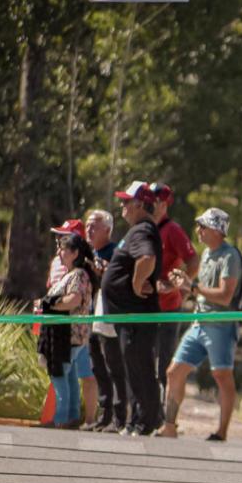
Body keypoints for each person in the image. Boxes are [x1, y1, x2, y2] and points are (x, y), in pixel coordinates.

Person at [161, 208, 241, 441]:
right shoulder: (206, 254)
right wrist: (182, 285)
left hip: (220, 325)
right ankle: (169, 427)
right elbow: (200, 290)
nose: (198, 231)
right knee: (174, 372)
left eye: (203, 226)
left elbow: (225, 296)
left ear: (216, 230)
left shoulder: (230, 256)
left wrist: (192, 287)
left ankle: (222, 432)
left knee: (222, 375)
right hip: (199, 321)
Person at [101, 182, 163, 436]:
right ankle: (138, 420)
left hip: (136, 315)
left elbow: (147, 258)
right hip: (130, 316)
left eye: (126, 202)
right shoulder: (139, 230)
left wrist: (137, 284)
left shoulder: (142, 230)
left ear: (139, 204)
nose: (122, 206)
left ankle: (145, 422)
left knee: (140, 367)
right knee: (134, 368)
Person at [36, 234, 96, 429]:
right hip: (69, 335)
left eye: (63, 249)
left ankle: (61, 419)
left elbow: (74, 300)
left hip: (69, 336)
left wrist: (49, 304)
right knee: (69, 377)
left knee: (59, 375)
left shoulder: (78, 275)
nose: (59, 253)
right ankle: (71, 417)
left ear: (75, 253)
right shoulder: (73, 274)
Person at [150, 183, 199, 394]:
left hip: (168, 308)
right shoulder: (144, 227)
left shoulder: (172, 230)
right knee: (143, 361)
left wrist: (179, 288)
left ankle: (164, 408)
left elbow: (194, 261)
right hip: (145, 306)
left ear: (163, 204)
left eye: (153, 201)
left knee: (165, 364)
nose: (148, 204)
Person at [83, 209, 125, 432]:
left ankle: (120, 417)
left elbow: (120, 282)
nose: (88, 230)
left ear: (107, 230)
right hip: (91, 316)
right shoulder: (88, 252)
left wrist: (105, 272)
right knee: (97, 367)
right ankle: (104, 415)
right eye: (87, 225)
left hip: (109, 318)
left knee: (114, 367)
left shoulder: (116, 253)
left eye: (94, 226)